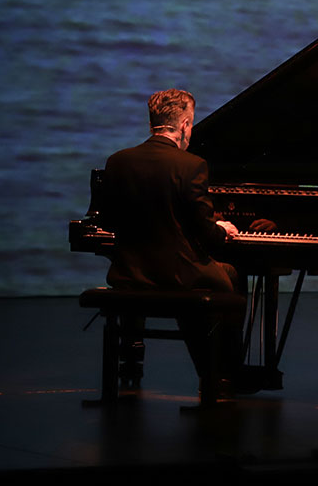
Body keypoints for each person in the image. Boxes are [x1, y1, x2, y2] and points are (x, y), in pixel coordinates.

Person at [102, 89, 245, 392]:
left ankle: (131, 368)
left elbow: (110, 222)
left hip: (130, 273)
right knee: (230, 273)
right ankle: (221, 375)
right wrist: (222, 228)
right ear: (184, 126)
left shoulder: (117, 162)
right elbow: (207, 234)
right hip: (178, 276)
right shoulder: (191, 166)